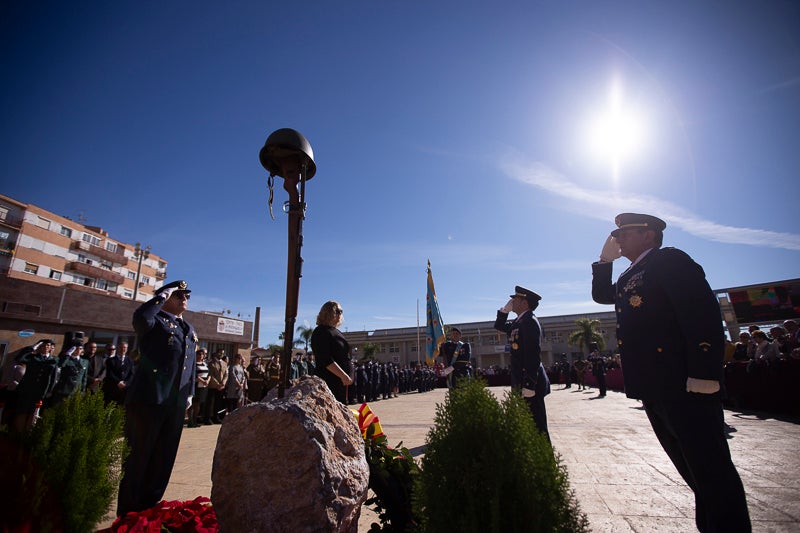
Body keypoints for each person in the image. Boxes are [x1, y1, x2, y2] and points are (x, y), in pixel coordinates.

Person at [591, 212, 750, 532]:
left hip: (683, 383)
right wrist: (603, 263)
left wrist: (705, 373)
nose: (618, 239)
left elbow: (700, 313)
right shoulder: (630, 275)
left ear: (649, 235)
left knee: (712, 471)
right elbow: (602, 296)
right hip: (654, 385)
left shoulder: (670, 261)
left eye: (625, 233)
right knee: (695, 473)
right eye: (616, 234)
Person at [117, 280, 198, 517]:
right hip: (149, 400)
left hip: (175, 402)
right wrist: (161, 296)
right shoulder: (154, 321)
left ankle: (149, 511)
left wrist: (190, 392)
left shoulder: (188, 329)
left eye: (187, 296)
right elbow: (141, 319)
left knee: (163, 460)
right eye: (178, 295)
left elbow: (189, 364)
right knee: (138, 459)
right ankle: (128, 516)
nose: (184, 299)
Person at [494, 286, 551, 443]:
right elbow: (499, 326)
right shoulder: (519, 322)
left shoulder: (530, 322)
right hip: (522, 380)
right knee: (529, 425)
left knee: (538, 427)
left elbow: (533, 355)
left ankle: (545, 465)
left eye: (516, 299)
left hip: (530, 383)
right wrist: (504, 311)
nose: (512, 302)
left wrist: (529, 384)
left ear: (525, 303)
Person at [310, 300, 354, 404]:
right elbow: (325, 359)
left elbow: (346, 357)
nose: (340, 314)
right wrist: (343, 375)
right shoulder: (320, 332)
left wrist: (351, 375)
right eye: (337, 311)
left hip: (342, 383)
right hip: (328, 381)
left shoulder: (337, 332)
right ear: (328, 312)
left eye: (341, 311)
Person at [12, 339, 58, 433]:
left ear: (50, 348)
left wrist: (48, 391)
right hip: (26, 390)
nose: (45, 347)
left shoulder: (53, 360)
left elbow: (53, 377)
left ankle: (27, 435)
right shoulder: (32, 357)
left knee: (34, 415)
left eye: (48, 346)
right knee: (22, 412)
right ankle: (18, 434)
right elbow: (19, 358)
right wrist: (32, 348)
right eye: (43, 345)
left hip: (40, 392)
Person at [104, 341, 134, 406]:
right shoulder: (110, 360)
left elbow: (131, 374)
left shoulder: (130, 361)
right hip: (113, 388)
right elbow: (110, 373)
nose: (123, 349)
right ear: (117, 348)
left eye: (125, 347)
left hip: (124, 389)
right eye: (121, 347)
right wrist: (118, 382)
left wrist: (125, 383)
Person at [188, 348, 210, 427]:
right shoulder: (193, 363)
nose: (201, 356)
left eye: (202, 354)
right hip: (195, 386)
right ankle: (190, 421)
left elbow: (209, 373)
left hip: (203, 387)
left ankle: (195, 420)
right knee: (192, 403)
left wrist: (207, 380)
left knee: (198, 404)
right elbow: (193, 374)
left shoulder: (205, 364)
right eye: (199, 354)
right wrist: (201, 380)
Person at [206, 351, 228, 423]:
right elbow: (211, 375)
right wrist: (217, 384)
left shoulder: (224, 363)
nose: (221, 354)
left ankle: (216, 417)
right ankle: (208, 418)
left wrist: (223, 383)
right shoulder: (211, 363)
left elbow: (226, 375)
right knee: (211, 403)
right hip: (213, 386)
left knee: (218, 403)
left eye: (222, 353)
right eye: (219, 353)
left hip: (221, 387)